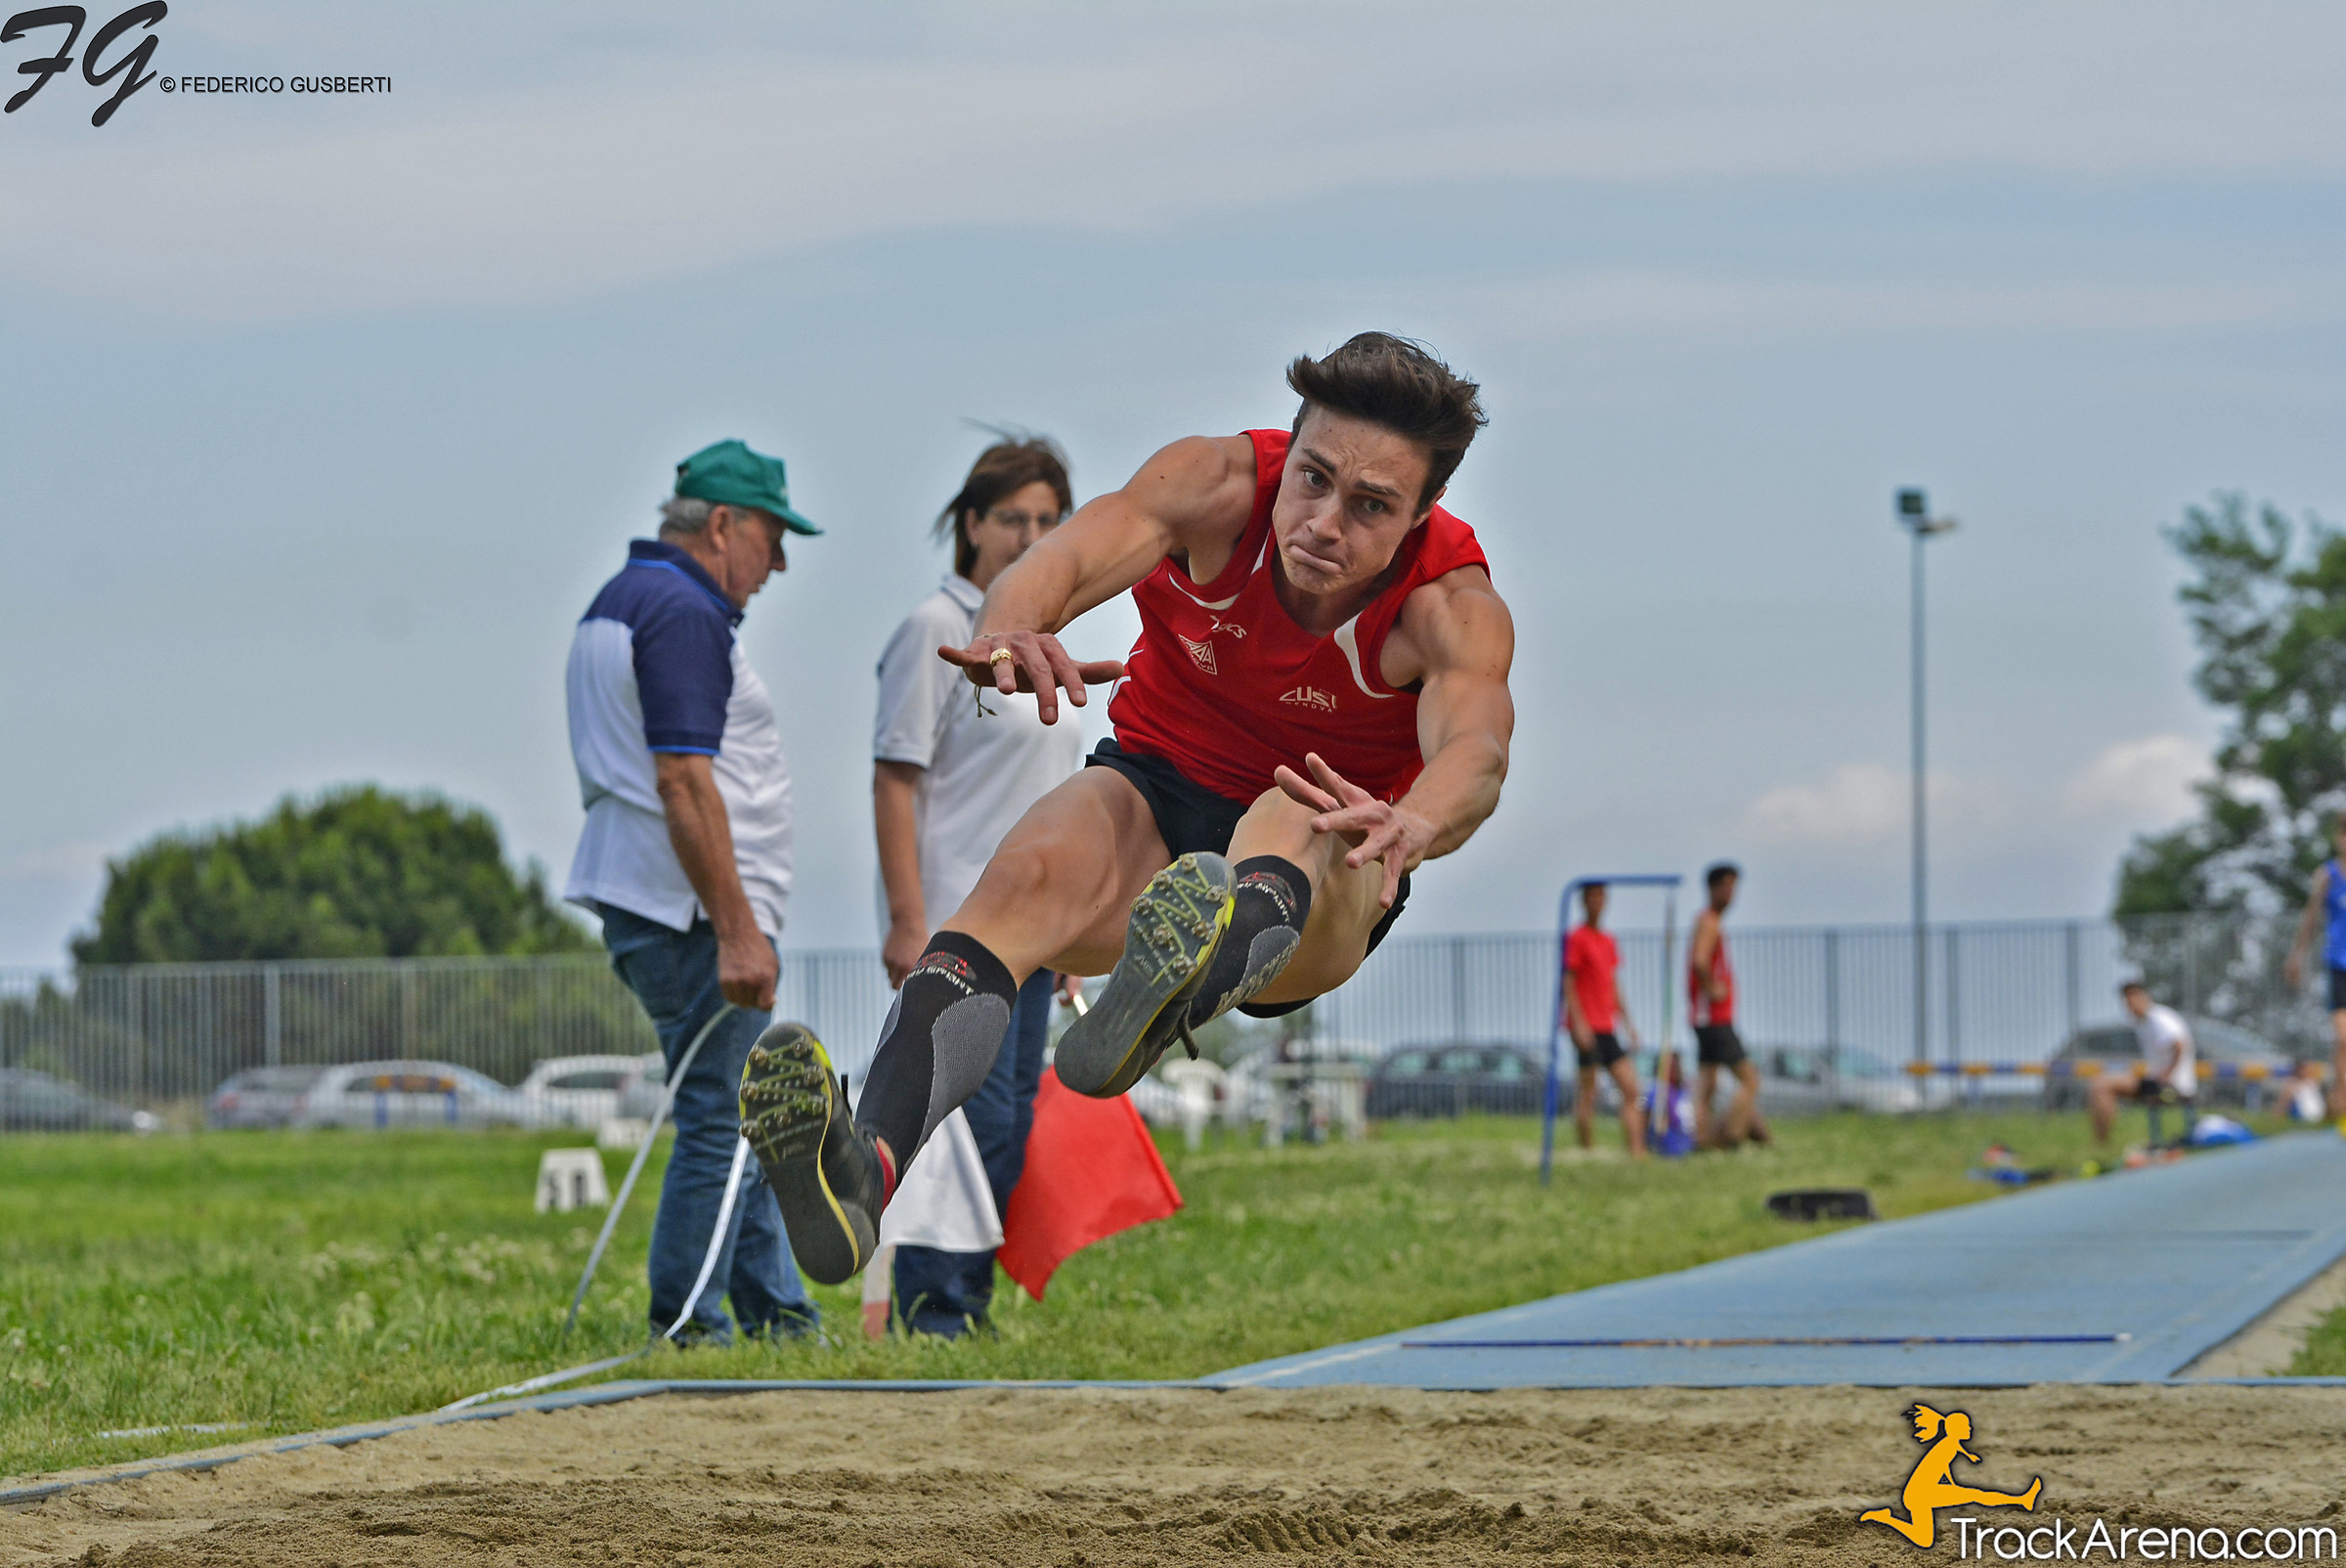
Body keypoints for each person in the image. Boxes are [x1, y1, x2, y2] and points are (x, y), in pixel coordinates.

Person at [740, 331, 1516, 1285]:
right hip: (1156, 788)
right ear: (1290, 450)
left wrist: (1419, 819)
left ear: (1422, 515)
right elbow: (1064, 556)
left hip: (1320, 865)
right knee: (1025, 875)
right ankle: (863, 1177)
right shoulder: (1216, 483)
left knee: (1290, 808)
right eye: (1311, 480)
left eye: (1370, 508)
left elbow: (1477, 744)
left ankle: (1195, 971)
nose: (1322, 523)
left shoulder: (1447, 602)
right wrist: (1010, 626)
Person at [563, 438, 821, 1341]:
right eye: (772, 534)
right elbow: (683, 779)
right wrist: (739, 931)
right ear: (722, 525)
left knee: (743, 1111)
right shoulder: (683, 611)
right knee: (726, 1115)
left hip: (651, 900)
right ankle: (690, 1321)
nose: (778, 560)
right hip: (686, 913)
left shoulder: (621, 600)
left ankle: (778, 1314)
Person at [871, 435, 1085, 1336]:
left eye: (1048, 521)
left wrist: (1078, 933)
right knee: (963, 1122)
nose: (1030, 535)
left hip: (1042, 926)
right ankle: (932, 1309)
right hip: (966, 923)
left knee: (1008, 1127)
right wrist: (908, 918)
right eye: (1012, 518)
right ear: (971, 524)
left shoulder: (1053, 642)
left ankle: (965, 1301)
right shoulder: (936, 628)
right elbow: (895, 776)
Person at [1688, 861, 1767, 1150]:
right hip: (1714, 1018)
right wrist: (1713, 988)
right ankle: (1730, 1135)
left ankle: (1702, 1139)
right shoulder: (1709, 922)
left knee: (1707, 1085)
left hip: (1705, 1018)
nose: (1731, 894)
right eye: (1726, 887)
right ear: (1712, 888)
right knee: (1750, 1080)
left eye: (1734, 887)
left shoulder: (1709, 921)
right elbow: (1699, 961)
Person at [1562, 883, 1646, 1156]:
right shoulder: (1576, 938)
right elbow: (1568, 983)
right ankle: (1587, 1151)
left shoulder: (1608, 940)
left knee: (1631, 1088)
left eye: (1601, 897)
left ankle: (1636, 1150)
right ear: (1583, 902)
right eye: (1591, 897)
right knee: (1589, 1092)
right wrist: (1579, 1024)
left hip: (1607, 1027)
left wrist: (1629, 1024)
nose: (1597, 902)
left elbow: (1613, 985)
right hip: (1586, 1026)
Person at [2282, 812, 2346, 1120]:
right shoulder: (2328, 875)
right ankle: (2341, 1100)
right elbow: (2310, 919)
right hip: (2338, 964)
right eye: (2343, 834)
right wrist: (2297, 956)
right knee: (2344, 1037)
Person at [2089, 980, 2196, 1145]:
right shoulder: (2144, 1022)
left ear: (2144, 997)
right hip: (2158, 1080)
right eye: (2127, 1001)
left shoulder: (2158, 1018)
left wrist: (2167, 1073)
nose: (2130, 1005)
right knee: (2102, 1084)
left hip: (2172, 1084)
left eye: (2133, 999)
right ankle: (2102, 1141)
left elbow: (2180, 1045)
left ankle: (2101, 1143)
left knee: (2102, 1085)